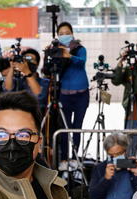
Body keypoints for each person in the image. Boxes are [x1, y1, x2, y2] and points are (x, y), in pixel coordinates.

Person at [53, 22, 89, 161]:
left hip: (81, 95)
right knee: (64, 128)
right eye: (61, 34)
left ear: (72, 33)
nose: (64, 36)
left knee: (77, 127)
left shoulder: (80, 49)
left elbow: (81, 62)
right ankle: (63, 159)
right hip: (64, 95)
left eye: (67, 33)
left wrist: (69, 56)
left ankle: (75, 159)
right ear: (57, 36)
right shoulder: (56, 49)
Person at [89, 132, 137, 199]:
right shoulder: (100, 168)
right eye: (112, 155)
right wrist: (106, 179)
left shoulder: (133, 166)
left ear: (125, 150)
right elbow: (93, 197)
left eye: (119, 153)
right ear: (107, 153)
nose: (116, 157)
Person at [112, 40, 137, 129]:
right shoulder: (131, 68)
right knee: (131, 138)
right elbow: (116, 81)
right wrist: (121, 62)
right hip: (132, 110)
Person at [5, 48, 50, 112]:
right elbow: (7, 88)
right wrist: (12, 67)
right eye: (25, 60)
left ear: (37, 63)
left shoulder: (45, 82)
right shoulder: (18, 81)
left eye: (31, 60)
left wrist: (27, 72)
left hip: (38, 117)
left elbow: (39, 96)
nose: (27, 63)